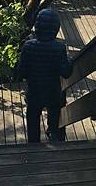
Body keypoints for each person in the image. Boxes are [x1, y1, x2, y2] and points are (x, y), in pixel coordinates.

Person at [18, 8, 73, 143]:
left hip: (34, 92)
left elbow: (21, 72)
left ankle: (33, 144)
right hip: (52, 93)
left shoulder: (28, 46)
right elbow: (65, 73)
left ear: (37, 26)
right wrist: (70, 61)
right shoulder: (59, 48)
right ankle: (54, 138)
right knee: (54, 120)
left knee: (32, 119)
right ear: (55, 28)